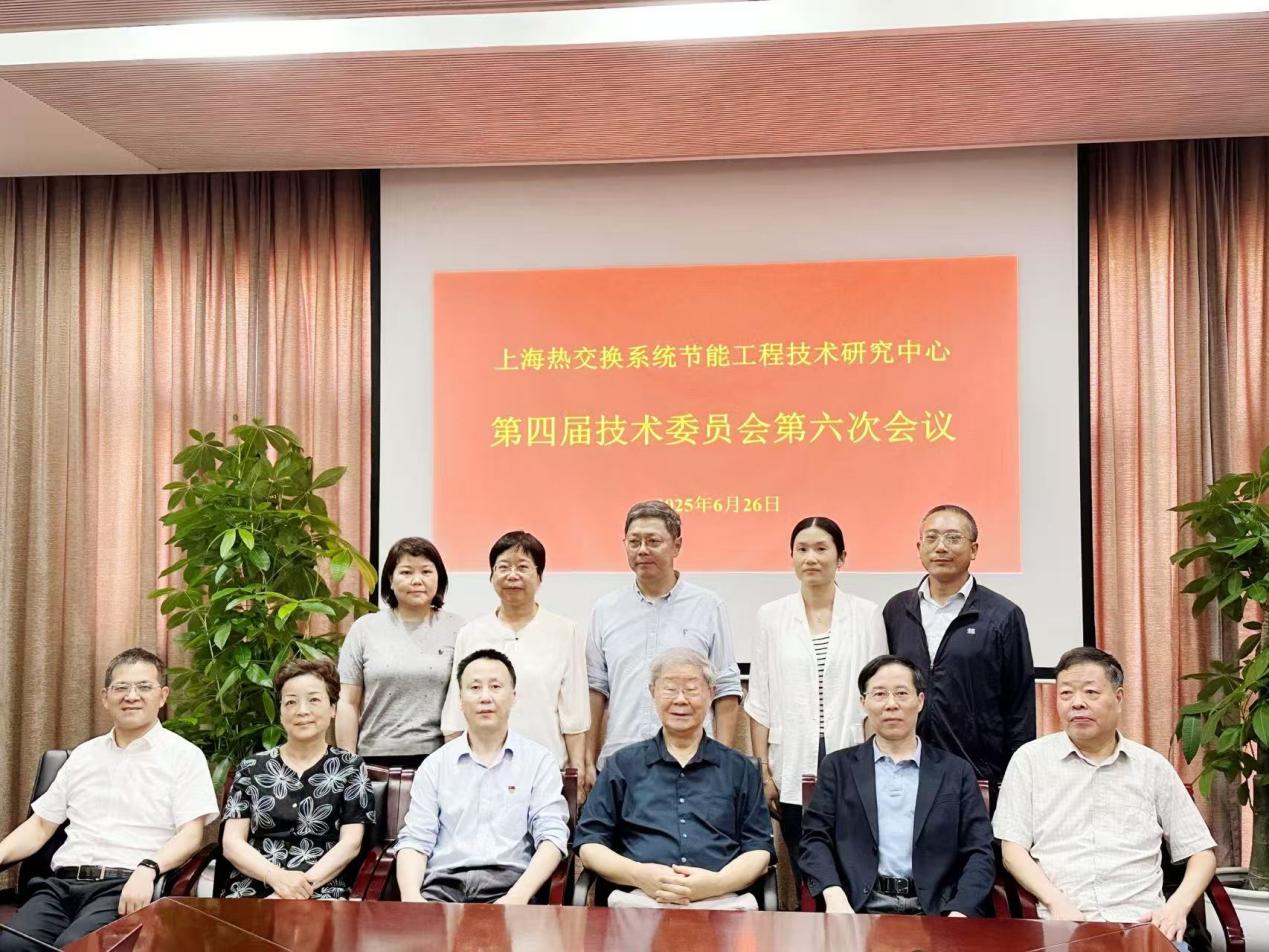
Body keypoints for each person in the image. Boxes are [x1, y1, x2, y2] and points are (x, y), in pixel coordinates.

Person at [994, 647, 1217, 949]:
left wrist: (1176, 908)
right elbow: (1012, 850)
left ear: (1119, 698)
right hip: (1064, 928)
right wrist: (1056, 902)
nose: (1077, 703)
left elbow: (1201, 853)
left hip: (1143, 927)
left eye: (1091, 692)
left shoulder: (1151, 767)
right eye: (1066, 693)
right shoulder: (1029, 761)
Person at [0, 648, 217, 949]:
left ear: (163, 696)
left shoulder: (184, 756)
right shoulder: (83, 756)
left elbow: (191, 835)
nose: (131, 696)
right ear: (105, 697)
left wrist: (149, 869)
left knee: (78, 948)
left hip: (126, 886)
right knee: (11, 946)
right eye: (121, 687)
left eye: (144, 687)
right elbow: (39, 826)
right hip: (61, 887)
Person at [745, 516, 887, 885]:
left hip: (851, 754)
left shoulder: (867, 614)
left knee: (853, 864)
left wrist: (876, 761)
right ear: (791, 557)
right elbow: (760, 699)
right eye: (802, 549)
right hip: (791, 760)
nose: (811, 557)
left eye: (821, 548)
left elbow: (879, 695)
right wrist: (764, 772)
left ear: (841, 557)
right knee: (808, 866)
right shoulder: (771, 616)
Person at [575, 648, 773, 910]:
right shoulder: (622, 766)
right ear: (653, 692)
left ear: (711, 693)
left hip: (721, 902)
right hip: (638, 902)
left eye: (691, 690)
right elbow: (589, 845)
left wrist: (716, 883)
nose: (680, 700)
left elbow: (759, 850)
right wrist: (639, 875)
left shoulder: (740, 769)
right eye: (670, 689)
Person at [798, 654, 994, 916]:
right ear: (864, 702)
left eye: (902, 693)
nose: (891, 704)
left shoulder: (956, 772)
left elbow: (980, 851)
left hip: (939, 913)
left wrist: (959, 912)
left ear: (920, 700)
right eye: (879, 694)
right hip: (858, 910)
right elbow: (814, 839)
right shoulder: (837, 768)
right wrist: (834, 896)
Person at [585, 500, 742, 797]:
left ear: (676, 545)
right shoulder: (605, 610)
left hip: (693, 764)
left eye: (653, 541)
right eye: (634, 542)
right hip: (621, 762)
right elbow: (595, 689)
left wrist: (721, 760)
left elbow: (725, 687)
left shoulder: (707, 606)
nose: (642, 550)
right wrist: (587, 760)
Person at [395, 649, 569, 904]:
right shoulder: (435, 765)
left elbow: (553, 837)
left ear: (514, 696)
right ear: (460, 699)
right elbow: (416, 839)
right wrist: (412, 899)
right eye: (475, 688)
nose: (485, 697)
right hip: (443, 888)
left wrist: (516, 898)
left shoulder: (539, 762)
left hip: (510, 888)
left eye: (495, 687)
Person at [883, 504, 1035, 786]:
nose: (941, 547)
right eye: (931, 538)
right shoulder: (897, 609)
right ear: (919, 547)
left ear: (974, 549)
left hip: (976, 772)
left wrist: (1016, 778)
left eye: (953, 538)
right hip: (905, 767)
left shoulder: (1002, 615)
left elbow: (1020, 706)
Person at [220, 658, 374, 899]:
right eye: (291, 702)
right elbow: (232, 843)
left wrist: (297, 889)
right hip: (255, 886)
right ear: (281, 712)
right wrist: (276, 878)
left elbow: (350, 844)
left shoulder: (351, 768)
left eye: (314, 700)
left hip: (321, 888)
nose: (302, 710)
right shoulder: (252, 767)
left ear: (333, 708)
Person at [440, 531, 589, 773]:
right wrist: (453, 768)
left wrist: (578, 768)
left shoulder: (565, 631)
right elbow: (455, 713)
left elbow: (574, 711)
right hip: (479, 768)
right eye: (503, 567)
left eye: (522, 567)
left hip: (546, 767)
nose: (512, 575)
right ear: (491, 576)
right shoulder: (471, 633)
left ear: (539, 577)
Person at [336, 536, 465, 770]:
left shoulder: (457, 628)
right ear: (390, 579)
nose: (417, 580)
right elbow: (347, 702)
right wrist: (348, 764)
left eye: (426, 571)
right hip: (374, 758)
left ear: (439, 578)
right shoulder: (364, 629)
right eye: (406, 572)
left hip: (438, 759)